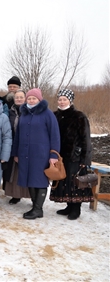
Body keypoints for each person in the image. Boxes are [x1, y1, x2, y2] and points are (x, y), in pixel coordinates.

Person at [11, 88, 60, 220]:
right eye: (29, 98)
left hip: (41, 154)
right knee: (30, 179)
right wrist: (15, 153)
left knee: (40, 180)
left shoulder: (48, 114)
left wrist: (54, 156)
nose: (31, 100)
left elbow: (55, 136)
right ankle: (35, 206)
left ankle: (38, 209)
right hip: (25, 153)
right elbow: (18, 136)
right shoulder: (24, 114)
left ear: (39, 100)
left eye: (34, 98)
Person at [49, 89, 93, 220]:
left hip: (75, 155)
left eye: (64, 99)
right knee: (64, 181)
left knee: (75, 182)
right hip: (60, 155)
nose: (62, 102)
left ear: (70, 100)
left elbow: (86, 138)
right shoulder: (54, 115)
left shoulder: (79, 116)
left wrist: (85, 159)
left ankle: (76, 208)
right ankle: (68, 206)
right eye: (60, 99)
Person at [3, 89, 30, 204]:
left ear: (25, 98)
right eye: (17, 97)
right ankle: (16, 195)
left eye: (21, 97)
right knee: (14, 172)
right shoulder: (10, 112)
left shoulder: (30, 111)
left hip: (27, 146)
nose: (19, 99)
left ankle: (31, 195)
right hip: (13, 144)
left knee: (26, 171)